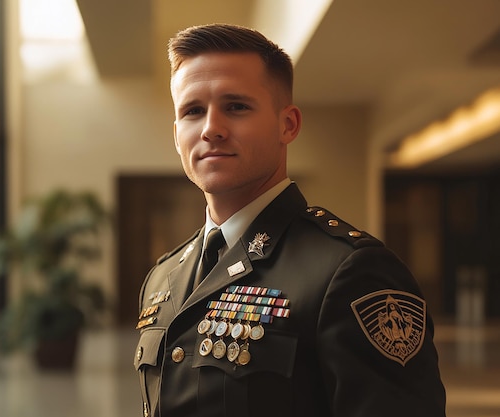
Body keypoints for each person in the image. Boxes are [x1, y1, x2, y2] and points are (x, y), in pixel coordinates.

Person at [133, 23, 446, 417]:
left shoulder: (348, 271)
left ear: (289, 124)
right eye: (193, 111)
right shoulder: (163, 278)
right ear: (177, 135)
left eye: (236, 106)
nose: (211, 128)